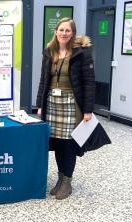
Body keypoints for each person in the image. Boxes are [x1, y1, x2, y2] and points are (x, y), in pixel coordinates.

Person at [36, 18, 95, 200]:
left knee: (69, 144)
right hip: (52, 103)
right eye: (61, 30)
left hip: (72, 103)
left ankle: (67, 182)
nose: (63, 33)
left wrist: (88, 110)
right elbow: (43, 80)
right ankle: (60, 179)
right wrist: (39, 105)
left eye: (67, 31)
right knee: (57, 143)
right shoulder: (49, 52)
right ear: (55, 32)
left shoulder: (81, 53)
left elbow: (89, 83)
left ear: (73, 33)